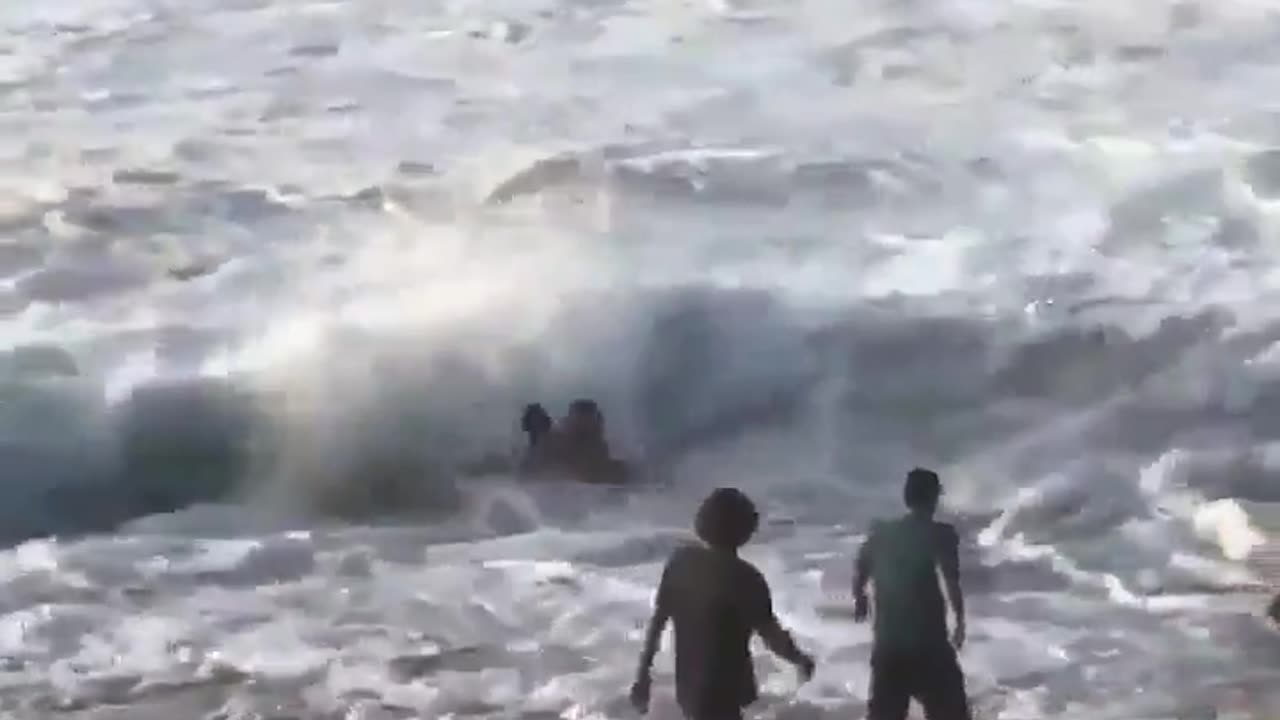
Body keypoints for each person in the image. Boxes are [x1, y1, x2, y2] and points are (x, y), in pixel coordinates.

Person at [630, 487, 815, 720]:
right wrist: (801, 660)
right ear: (746, 530)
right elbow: (773, 637)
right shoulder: (746, 578)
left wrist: (643, 676)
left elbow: (658, 623)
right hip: (725, 695)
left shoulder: (680, 564)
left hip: (688, 689)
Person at [853, 467, 972, 720]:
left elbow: (862, 565)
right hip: (929, 644)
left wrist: (860, 597)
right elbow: (952, 580)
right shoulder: (942, 534)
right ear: (934, 499)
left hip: (889, 644)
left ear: (907, 497)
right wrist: (960, 621)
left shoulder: (882, 535)